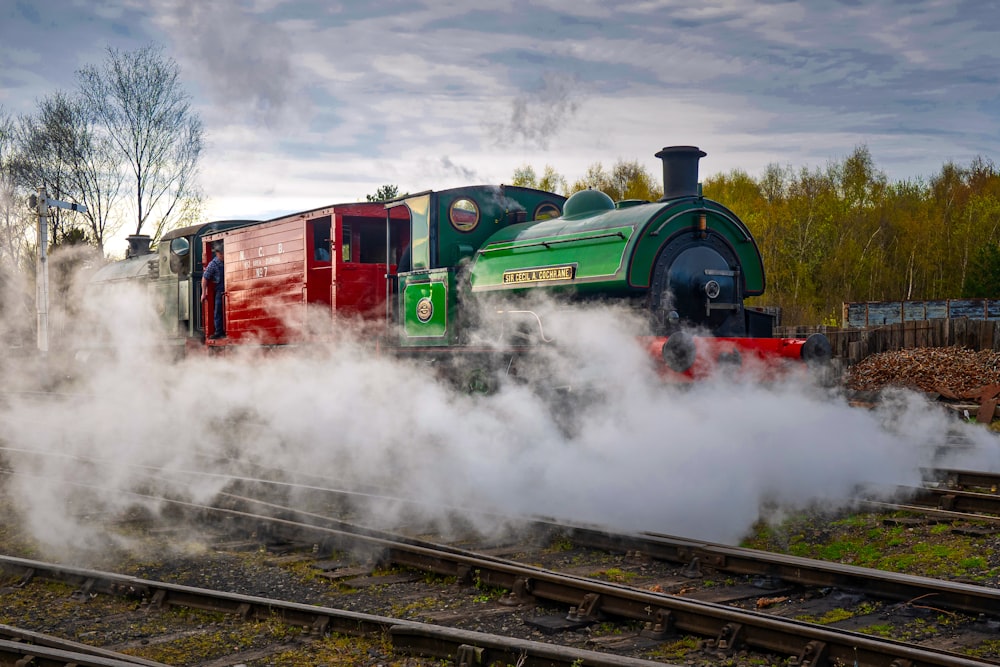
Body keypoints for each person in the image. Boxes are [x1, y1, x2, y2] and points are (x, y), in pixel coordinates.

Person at [201, 242, 226, 339]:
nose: (223, 255)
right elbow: (205, 278)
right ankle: (219, 331)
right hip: (220, 290)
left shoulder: (228, 261)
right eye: (221, 254)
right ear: (217, 254)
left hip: (230, 288)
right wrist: (203, 293)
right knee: (218, 311)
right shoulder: (213, 264)